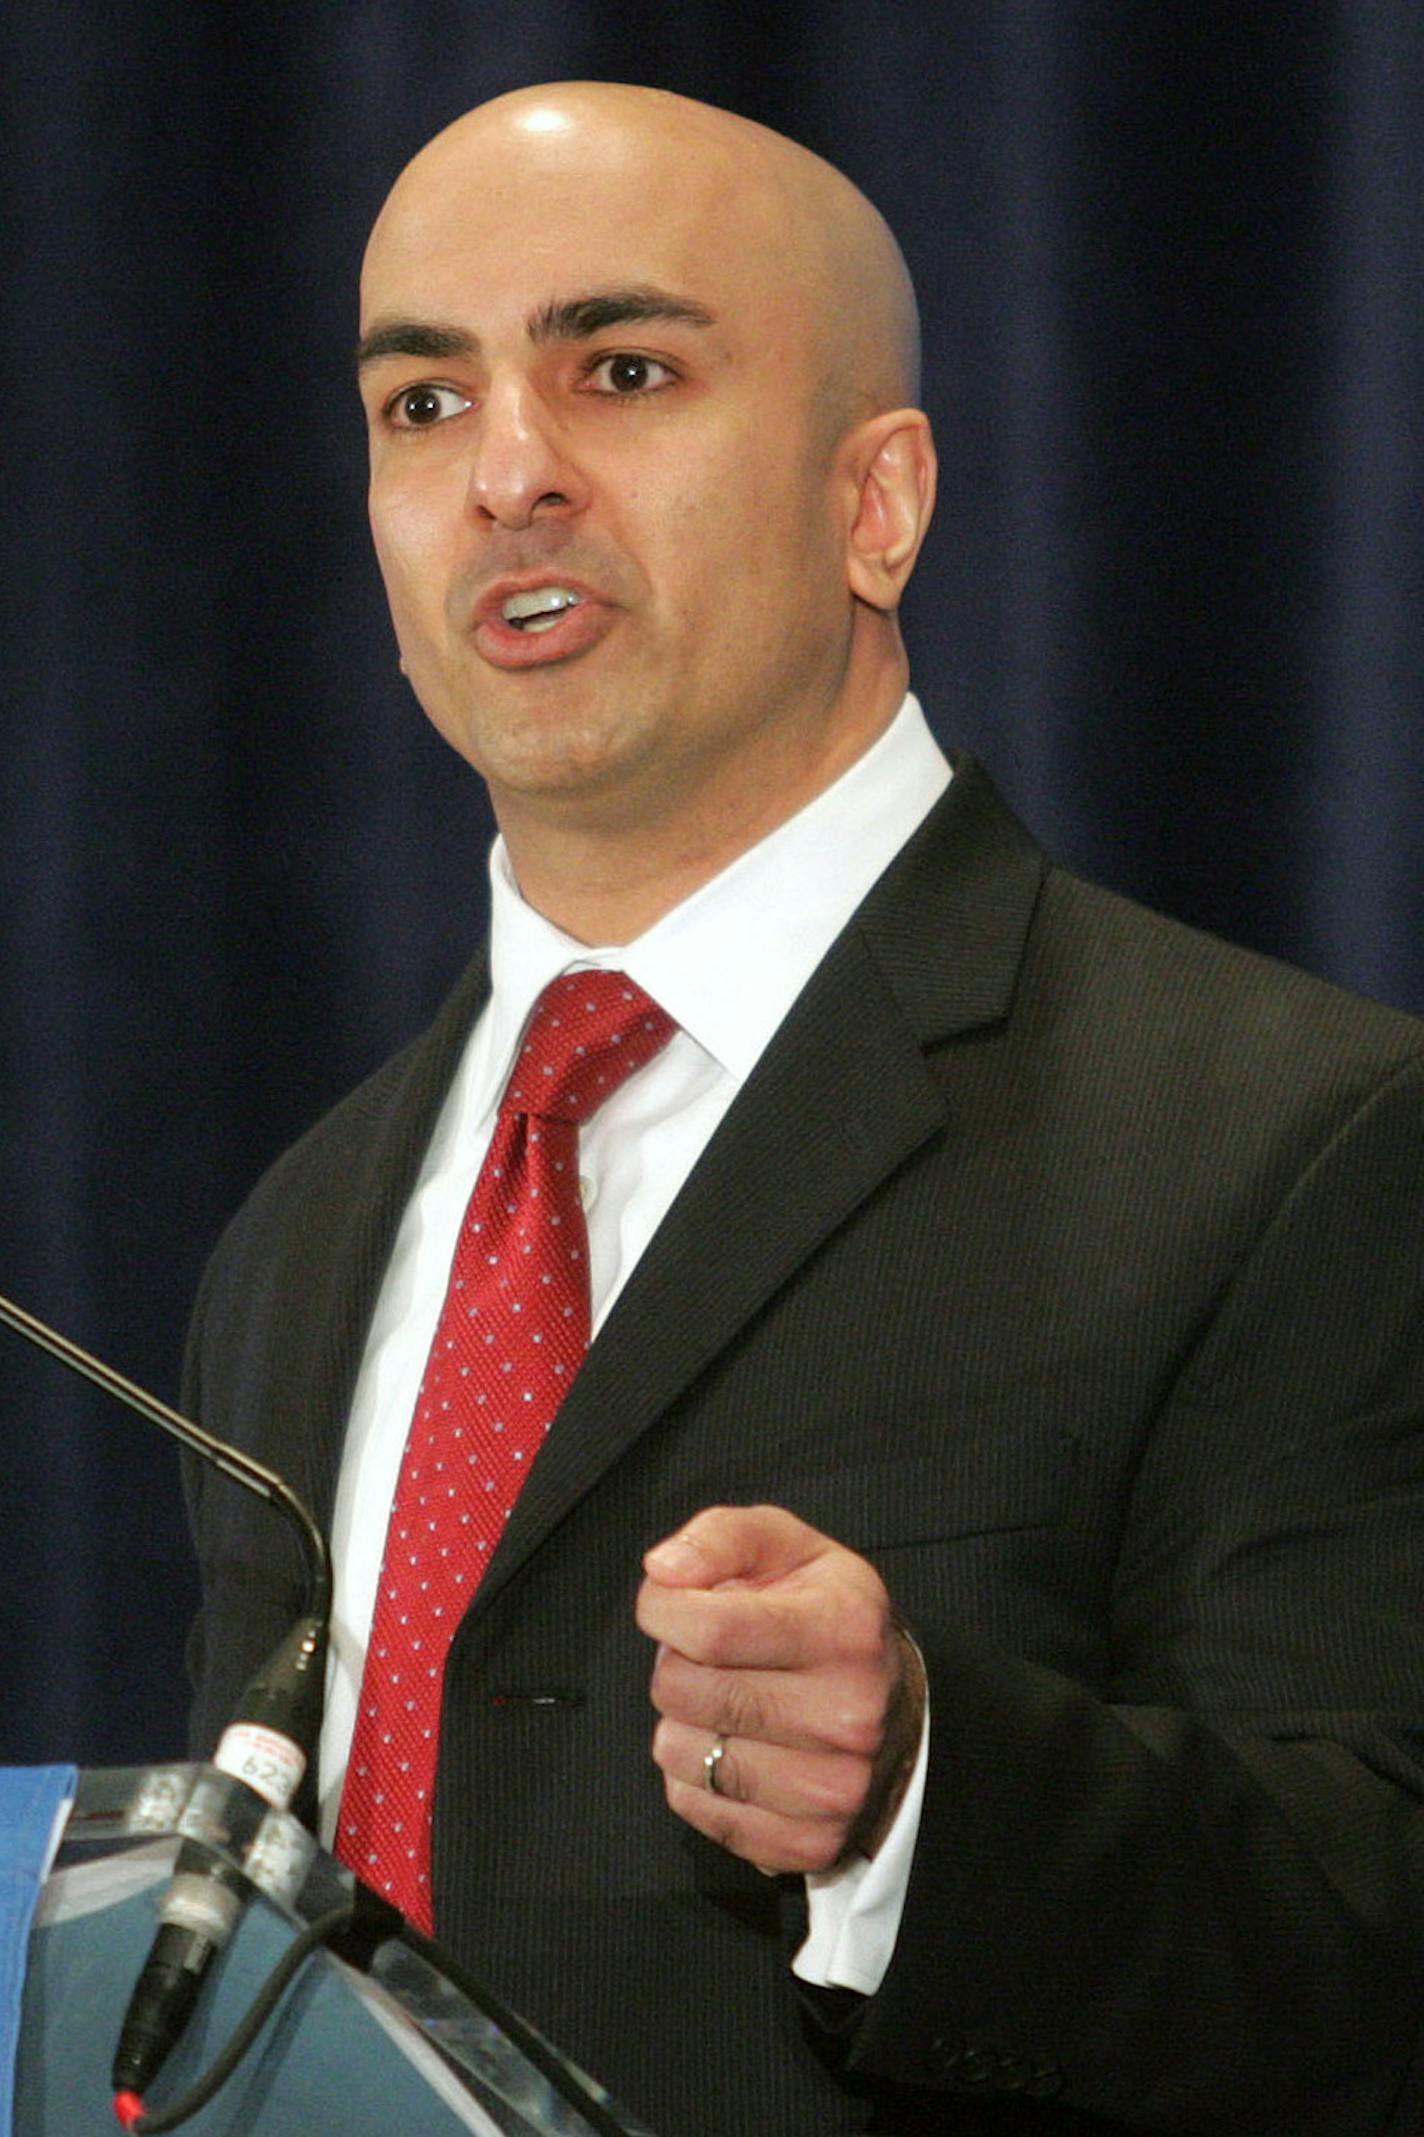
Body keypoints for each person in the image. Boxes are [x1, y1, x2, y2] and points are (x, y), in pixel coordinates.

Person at [181, 81, 1424, 2136]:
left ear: (880, 502)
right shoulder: (301, 1237)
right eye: (421, 405)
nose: (507, 473)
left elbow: (1376, 1923)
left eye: (623, 369)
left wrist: (925, 1799)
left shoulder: (1295, 1140)